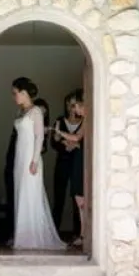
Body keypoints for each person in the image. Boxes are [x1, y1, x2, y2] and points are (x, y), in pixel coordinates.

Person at [11, 77, 66, 250]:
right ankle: (22, 234)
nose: (14, 97)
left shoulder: (35, 112)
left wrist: (34, 160)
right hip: (20, 157)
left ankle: (33, 237)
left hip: (30, 158)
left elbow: (39, 136)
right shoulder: (21, 112)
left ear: (24, 92)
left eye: (15, 93)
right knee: (21, 193)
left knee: (31, 195)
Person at [53, 88, 86, 247]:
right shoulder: (61, 119)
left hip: (80, 159)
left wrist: (63, 135)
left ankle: (81, 233)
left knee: (79, 197)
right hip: (67, 161)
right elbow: (55, 142)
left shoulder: (87, 120)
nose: (73, 109)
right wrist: (63, 143)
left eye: (75, 105)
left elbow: (77, 138)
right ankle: (59, 232)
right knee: (67, 196)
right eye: (70, 105)